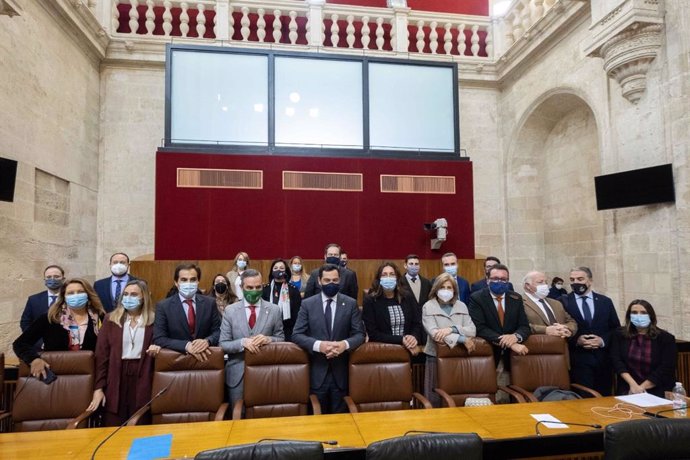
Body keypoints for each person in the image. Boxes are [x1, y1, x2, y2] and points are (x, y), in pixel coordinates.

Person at [292, 264, 365, 414]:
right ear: (319, 281)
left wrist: (344, 345)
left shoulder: (350, 303)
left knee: (342, 423)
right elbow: (297, 334)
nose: (331, 283)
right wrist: (319, 346)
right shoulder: (308, 304)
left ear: (340, 281)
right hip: (317, 373)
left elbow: (359, 335)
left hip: (342, 374)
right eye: (327, 280)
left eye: (335, 280)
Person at [88, 280, 161, 426]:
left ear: (144, 297)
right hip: (116, 374)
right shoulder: (111, 319)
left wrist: (159, 348)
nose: (129, 298)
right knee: (113, 422)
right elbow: (101, 356)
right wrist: (98, 388)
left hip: (144, 374)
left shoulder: (155, 319)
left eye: (134, 294)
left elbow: (162, 343)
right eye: (126, 294)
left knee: (140, 422)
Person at [13, 278, 106, 379]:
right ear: (64, 297)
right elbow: (20, 344)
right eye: (70, 293)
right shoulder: (50, 318)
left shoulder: (101, 318)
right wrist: (34, 359)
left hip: (91, 377)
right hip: (57, 377)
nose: (76, 295)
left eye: (80, 292)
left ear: (88, 294)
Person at [220, 269, 284, 406]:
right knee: (238, 416)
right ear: (242, 287)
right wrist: (242, 342)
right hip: (237, 375)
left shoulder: (274, 310)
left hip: (266, 372)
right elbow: (223, 344)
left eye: (258, 287)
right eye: (249, 287)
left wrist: (269, 340)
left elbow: (282, 339)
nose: (254, 290)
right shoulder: (230, 311)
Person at [468, 264, 530, 402]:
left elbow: (524, 326)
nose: (499, 282)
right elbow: (479, 327)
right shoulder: (477, 298)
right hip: (489, 354)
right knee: (488, 397)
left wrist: (515, 337)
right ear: (487, 279)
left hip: (514, 359)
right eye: (495, 278)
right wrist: (509, 343)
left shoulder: (515, 298)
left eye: (504, 279)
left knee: (511, 397)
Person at [562, 266, 620, 396]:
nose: (576, 282)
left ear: (590, 281)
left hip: (603, 360)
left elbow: (615, 329)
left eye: (580, 279)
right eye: (572, 279)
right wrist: (576, 340)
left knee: (604, 400)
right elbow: (562, 330)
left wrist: (602, 341)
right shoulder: (563, 302)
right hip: (578, 361)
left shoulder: (605, 301)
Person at [422, 273, 476, 407]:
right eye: (442, 287)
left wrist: (451, 329)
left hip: (458, 356)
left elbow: (472, 330)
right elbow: (435, 334)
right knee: (435, 398)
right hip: (435, 357)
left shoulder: (461, 306)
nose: (446, 291)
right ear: (436, 289)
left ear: (454, 290)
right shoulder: (428, 306)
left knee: (456, 396)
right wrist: (462, 338)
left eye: (449, 288)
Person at [153, 263, 221, 361]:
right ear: (176, 282)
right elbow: (159, 338)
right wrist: (186, 345)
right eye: (184, 280)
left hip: (205, 360)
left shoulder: (209, 303)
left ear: (198, 281)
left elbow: (218, 331)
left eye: (193, 280)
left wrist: (207, 341)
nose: (188, 283)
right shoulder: (163, 306)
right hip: (177, 361)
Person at [609, 300, 677, 398]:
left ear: (651, 315)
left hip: (658, 390)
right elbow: (617, 361)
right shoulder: (619, 335)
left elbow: (666, 367)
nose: (638, 316)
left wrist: (641, 388)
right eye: (634, 313)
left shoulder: (666, 338)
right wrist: (633, 385)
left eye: (643, 313)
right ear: (629, 316)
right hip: (628, 389)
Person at [362, 262, 422, 354]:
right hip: (382, 350)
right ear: (379, 279)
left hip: (408, 348)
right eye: (384, 275)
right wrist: (401, 339)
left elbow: (416, 323)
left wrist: (413, 337)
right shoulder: (370, 300)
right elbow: (373, 334)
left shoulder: (407, 297)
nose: (388, 277)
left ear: (397, 278)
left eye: (392, 274)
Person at [522, 271, 577, 338]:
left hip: (562, 346)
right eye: (540, 282)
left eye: (546, 282)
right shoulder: (519, 303)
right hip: (537, 346)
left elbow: (571, 322)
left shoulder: (556, 303)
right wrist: (546, 330)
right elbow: (519, 326)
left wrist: (567, 328)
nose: (545, 285)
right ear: (528, 286)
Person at [261, 259, 301, 341]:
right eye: (275, 268)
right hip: (266, 331)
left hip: (288, 330)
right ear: (272, 271)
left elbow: (297, 314)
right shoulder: (265, 289)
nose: (278, 270)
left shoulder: (293, 290)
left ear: (286, 271)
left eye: (281, 268)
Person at [20, 265, 65, 333]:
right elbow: (25, 322)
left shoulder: (70, 298)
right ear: (45, 280)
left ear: (63, 279)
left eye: (56, 276)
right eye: (48, 277)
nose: (52, 279)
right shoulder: (33, 300)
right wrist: (36, 341)